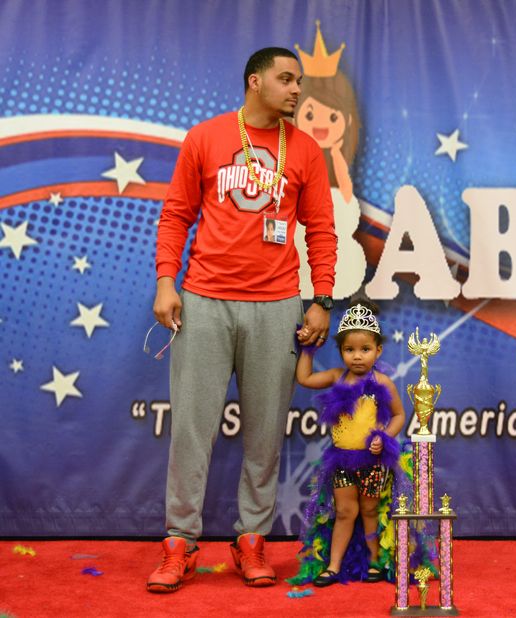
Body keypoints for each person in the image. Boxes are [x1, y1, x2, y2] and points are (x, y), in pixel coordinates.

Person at [147, 46, 337, 593]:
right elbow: (177, 214)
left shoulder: (304, 151)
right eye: (286, 79)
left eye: (298, 80)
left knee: (265, 435)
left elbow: (321, 230)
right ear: (256, 82)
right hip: (205, 300)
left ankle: (251, 540)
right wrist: (166, 281)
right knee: (190, 428)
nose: (297, 89)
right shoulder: (206, 138)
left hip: (278, 306)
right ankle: (180, 543)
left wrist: (320, 297)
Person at [288, 299, 407, 586]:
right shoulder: (335, 378)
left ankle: (376, 560)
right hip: (342, 461)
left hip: (373, 461)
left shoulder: (384, 384)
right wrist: (308, 350)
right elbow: (303, 377)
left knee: (369, 510)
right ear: (341, 350)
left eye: (365, 349)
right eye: (349, 350)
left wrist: (383, 436)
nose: (357, 356)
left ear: (378, 350)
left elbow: (400, 416)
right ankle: (334, 565)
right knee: (344, 512)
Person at [293, 22, 367, 299]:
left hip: (331, 261)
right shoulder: (288, 158)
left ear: (347, 120)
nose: (321, 125)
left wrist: (336, 154)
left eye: (332, 117)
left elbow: (346, 194)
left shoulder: (336, 161)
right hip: (289, 265)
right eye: (310, 115)